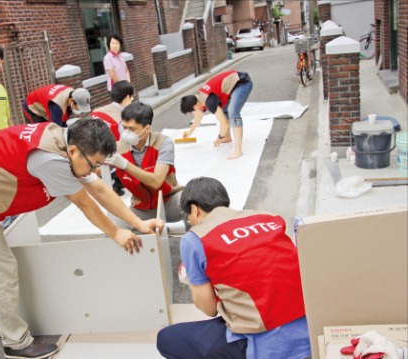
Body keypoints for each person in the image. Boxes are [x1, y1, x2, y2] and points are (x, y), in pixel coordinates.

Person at [0, 118, 163, 359]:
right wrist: (115, 232)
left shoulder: (70, 144)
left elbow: (100, 188)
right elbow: (84, 201)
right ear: (73, 151)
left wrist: (137, 223)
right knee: (0, 269)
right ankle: (16, 342)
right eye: (94, 164)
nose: (95, 170)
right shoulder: (50, 158)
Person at [156, 177, 311, 359]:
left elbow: (209, 308)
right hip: (310, 329)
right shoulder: (269, 217)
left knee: (167, 339)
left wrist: (191, 280)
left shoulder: (194, 239)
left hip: (265, 344)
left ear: (194, 209)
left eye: (189, 217)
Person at [104, 102, 186, 229]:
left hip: (169, 201)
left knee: (194, 202)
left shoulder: (163, 143)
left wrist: (125, 165)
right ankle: (153, 229)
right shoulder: (118, 147)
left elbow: (156, 181)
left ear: (147, 128)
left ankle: (194, 238)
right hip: (141, 208)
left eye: (132, 129)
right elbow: (97, 170)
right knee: (113, 228)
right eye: (124, 127)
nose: (126, 133)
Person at [180, 70, 253, 160]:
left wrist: (219, 137)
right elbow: (198, 117)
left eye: (191, 113)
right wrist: (189, 132)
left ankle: (238, 150)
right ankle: (227, 137)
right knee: (223, 111)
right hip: (232, 87)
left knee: (233, 113)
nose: (193, 115)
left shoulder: (208, 101)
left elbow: (224, 123)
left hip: (242, 83)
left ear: (195, 107)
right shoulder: (198, 98)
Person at [90, 80, 134, 195]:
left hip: (92, 154)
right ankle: (116, 182)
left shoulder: (96, 111)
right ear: (127, 98)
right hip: (110, 158)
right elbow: (126, 144)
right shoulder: (122, 119)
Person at [23, 84, 91, 126]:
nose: (78, 110)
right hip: (32, 107)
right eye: (78, 107)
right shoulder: (57, 105)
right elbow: (56, 129)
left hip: (45, 103)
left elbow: (63, 122)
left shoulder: (72, 94)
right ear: (71, 100)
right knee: (39, 133)